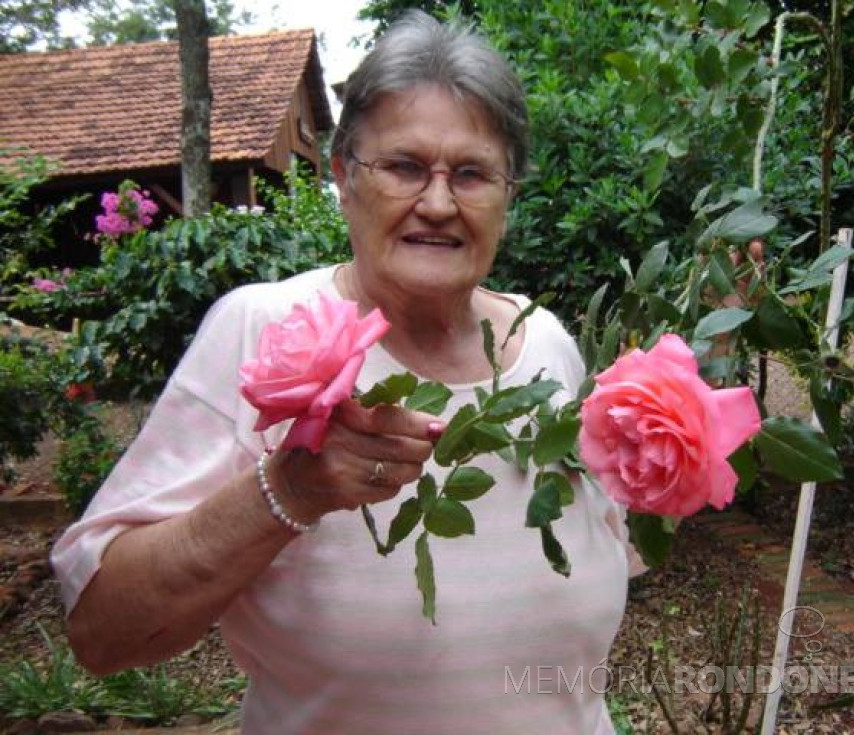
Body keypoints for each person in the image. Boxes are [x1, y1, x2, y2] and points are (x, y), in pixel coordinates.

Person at [52, 11, 629, 735]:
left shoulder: (543, 340)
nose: (440, 202)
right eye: (405, 166)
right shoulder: (261, 330)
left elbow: (592, 557)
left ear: (508, 195)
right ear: (342, 176)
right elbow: (103, 632)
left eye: (474, 172)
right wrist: (286, 491)